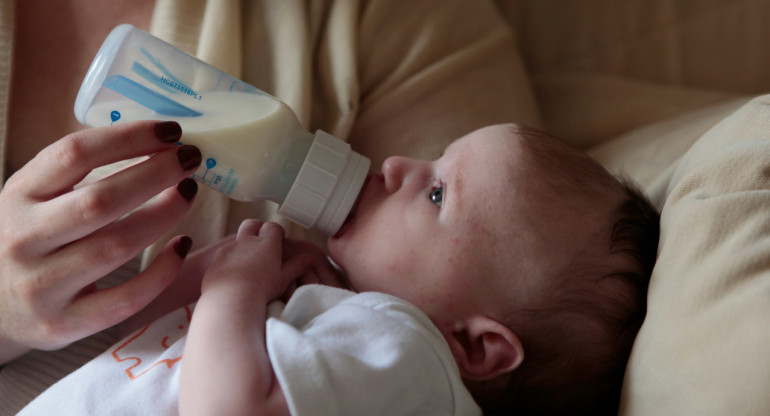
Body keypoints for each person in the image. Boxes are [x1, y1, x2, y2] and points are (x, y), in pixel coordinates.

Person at [17, 124, 660, 415]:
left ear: (472, 343)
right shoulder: (354, 338)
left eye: (437, 194)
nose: (399, 165)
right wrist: (217, 279)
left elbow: (224, 408)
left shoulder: (410, 356)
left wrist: (233, 290)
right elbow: (153, 349)